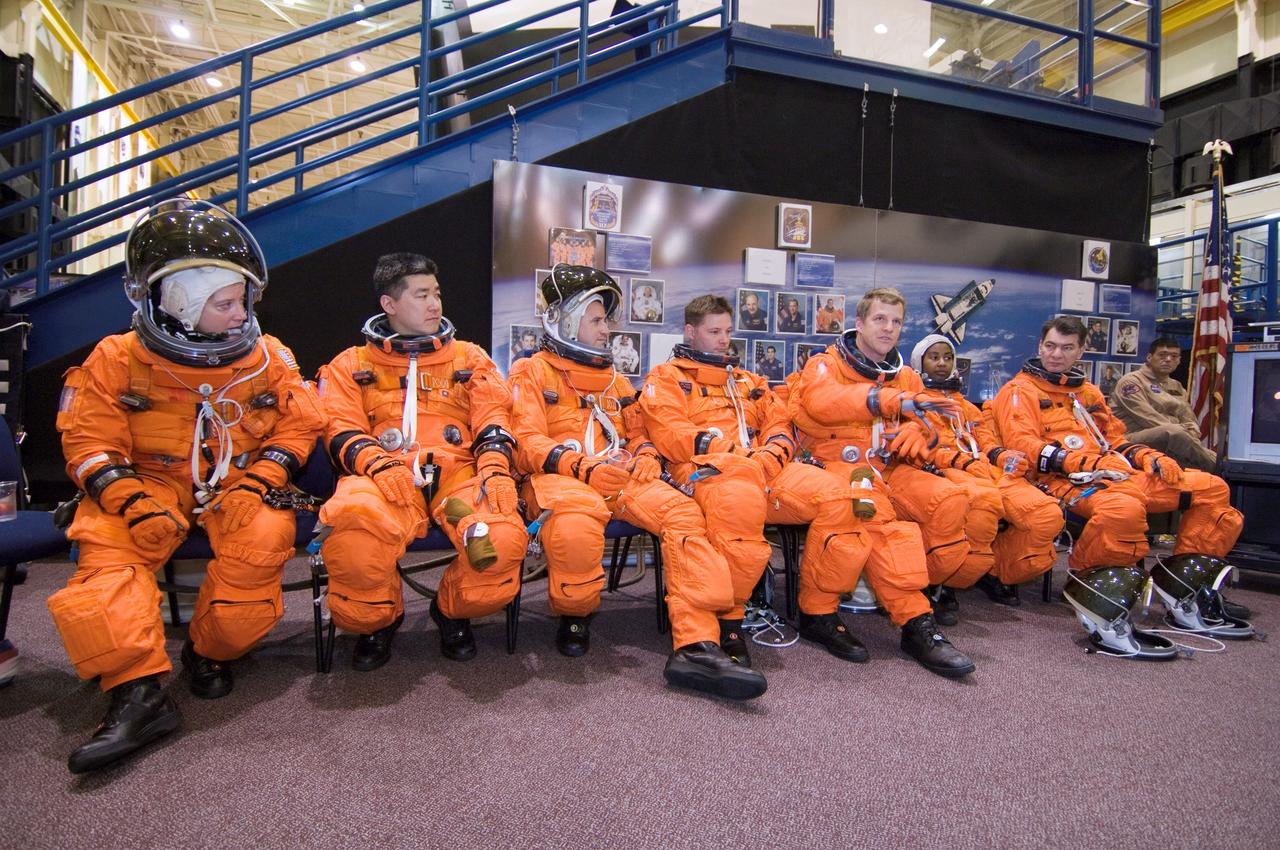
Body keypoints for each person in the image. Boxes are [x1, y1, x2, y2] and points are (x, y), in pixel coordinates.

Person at [49, 200, 324, 773]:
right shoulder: (116, 359)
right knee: (107, 548)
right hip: (145, 483)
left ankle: (210, 651)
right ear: (178, 304)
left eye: (242, 300)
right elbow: (89, 442)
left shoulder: (269, 357)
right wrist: (130, 501)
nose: (239, 313)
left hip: (238, 484)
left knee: (265, 537)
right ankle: (137, 692)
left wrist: (261, 480)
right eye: (224, 304)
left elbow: (301, 425)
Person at [508, 267, 763, 699]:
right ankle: (575, 614)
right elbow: (526, 441)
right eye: (596, 320)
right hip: (560, 478)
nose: (606, 329)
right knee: (575, 526)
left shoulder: (616, 380)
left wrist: (645, 454)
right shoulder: (532, 372)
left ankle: (696, 646)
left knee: (684, 513)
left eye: (605, 320)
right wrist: (580, 467)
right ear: (566, 322)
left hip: (618, 476)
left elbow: (638, 431)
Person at [642, 295, 908, 677]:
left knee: (844, 497)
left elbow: (779, 422)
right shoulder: (667, 378)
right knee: (737, 502)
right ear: (690, 332)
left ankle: (818, 611)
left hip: (765, 468)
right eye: (714, 331)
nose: (724, 339)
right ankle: (729, 622)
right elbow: (671, 433)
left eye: (728, 331)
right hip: (708, 470)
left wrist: (772, 453)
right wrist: (734, 453)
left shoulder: (747, 381)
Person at [317, 253, 527, 668]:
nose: (435, 305)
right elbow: (339, 428)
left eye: (437, 294)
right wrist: (377, 463)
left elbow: (493, 418)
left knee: (499, 541)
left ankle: (451, 610)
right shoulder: (352, 365)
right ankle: (379, 619)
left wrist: (494, 469)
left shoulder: (469, 358)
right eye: (421, 295)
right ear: (389, 304)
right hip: (384, 478)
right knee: (355, 536)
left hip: (457, 481)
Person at [989, 315, 1246, 654]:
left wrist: (1148, 456)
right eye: (1050, 346)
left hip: (1114, 472)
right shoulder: (1019, 391)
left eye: (1066, 348)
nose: (1056, 354)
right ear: (1040, 346)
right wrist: (1084, 463)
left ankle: (1182, 584)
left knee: (1211, 488)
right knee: (1123, 509)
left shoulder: (1088, 393)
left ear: (1081, 350)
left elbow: (1114, 440)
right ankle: (1091, 586)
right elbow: (1023, 446)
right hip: (1062, 481)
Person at [787, 288, 976, 677]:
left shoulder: (905, 376)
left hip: (890, 467)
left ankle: (923, 589)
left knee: (950, 498)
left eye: (896, 322)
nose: (889, 328)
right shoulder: (825, 365)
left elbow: (932, 423)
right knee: (878, 519)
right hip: (840, 465)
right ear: (859, 323)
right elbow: (823, 402)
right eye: (879, 319)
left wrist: (920, 434)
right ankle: (913, 620)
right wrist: (886, 401)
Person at [909, 334, 1063, 606]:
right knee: (981, 510)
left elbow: (987, 442)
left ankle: (996, 570)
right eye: (934, 357)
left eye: (948, 357)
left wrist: (1003, 456)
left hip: (984, 468)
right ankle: (944, 582)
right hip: (946, 470)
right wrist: (962, 462)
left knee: (1045, 514)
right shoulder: (914, 404)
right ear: (919, 363)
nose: (942, 363)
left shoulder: (968, 408)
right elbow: (921, 449)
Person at [1110, 336, 1217, 472]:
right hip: (1130, 438)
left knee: (1200, 455)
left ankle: (1217, 471)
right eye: (1162, 355)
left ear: (1179, 360)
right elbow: (1147, 417)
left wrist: (1191, 432)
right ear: (1149, 357)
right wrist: (1182, 430)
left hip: (1172, 438)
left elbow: (1188, 417)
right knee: (1174, 433)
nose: (1168, 359)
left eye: (1174, 356)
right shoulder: (1132, 382)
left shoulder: (1176, 386)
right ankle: (1219, 468)